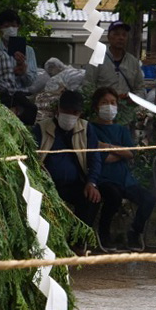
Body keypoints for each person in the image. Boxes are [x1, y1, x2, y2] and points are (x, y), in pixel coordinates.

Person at [32, 89, 104, 250]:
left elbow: (95, 158)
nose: (70, 115)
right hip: (47, 184)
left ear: (80, 113)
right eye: (66, 111)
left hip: (75, 183)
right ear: (58, 109)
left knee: (91, 199)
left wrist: (92, 183)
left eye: (75, 112)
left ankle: (77, 241)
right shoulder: (42, 128)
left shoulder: (86, 129)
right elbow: (32, 157)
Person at [89, 87, 155, 252]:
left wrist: (106, 146)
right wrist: (121, 152)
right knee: (113, 197)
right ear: (96, 107)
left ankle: (134, 232)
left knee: (148, 199)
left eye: (113, 103)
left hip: (125, 180)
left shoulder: (121, 129)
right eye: (104, 103)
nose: (109, 106)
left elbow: (131, 153)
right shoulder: (90, 129)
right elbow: (103, 157)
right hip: (103, 179)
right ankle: (104, 234)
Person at [84, 21, 145, 102]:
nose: (121, 38)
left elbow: (141, 89)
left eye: (124, 35)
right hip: (103, 109)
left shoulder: (133, 62)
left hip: (127, 110)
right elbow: (87, 87)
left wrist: (133, 99)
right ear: (108, 37)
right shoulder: (96, 59)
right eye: (116, 34)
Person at [0, 9, 44, 93]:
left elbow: (30, 82)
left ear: (18, 27)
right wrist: (11, 73)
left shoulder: (28, 51)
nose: (11, 29)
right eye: (6, 26)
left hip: (20, 97)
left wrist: (24, 72)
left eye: (13, 26)